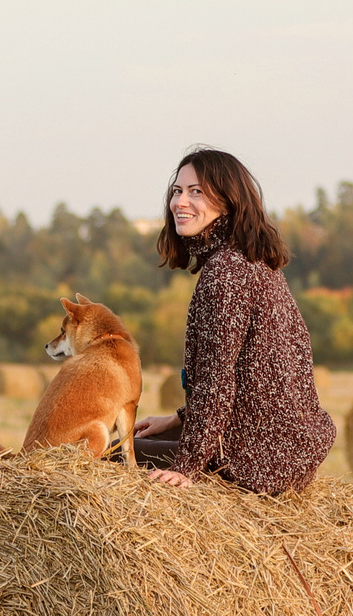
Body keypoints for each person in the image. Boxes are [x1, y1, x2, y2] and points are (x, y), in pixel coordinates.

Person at [130, 148, 336, 494]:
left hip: (250, 462)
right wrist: (176, 421)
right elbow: (252, 377)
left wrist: (187, 467)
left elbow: (218, 380)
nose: (180, 202)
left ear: (229, 200)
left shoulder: (225, 273)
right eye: (177, 191)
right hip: (285, 455)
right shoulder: (255, 262)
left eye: (196, 191)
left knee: (105, 452)